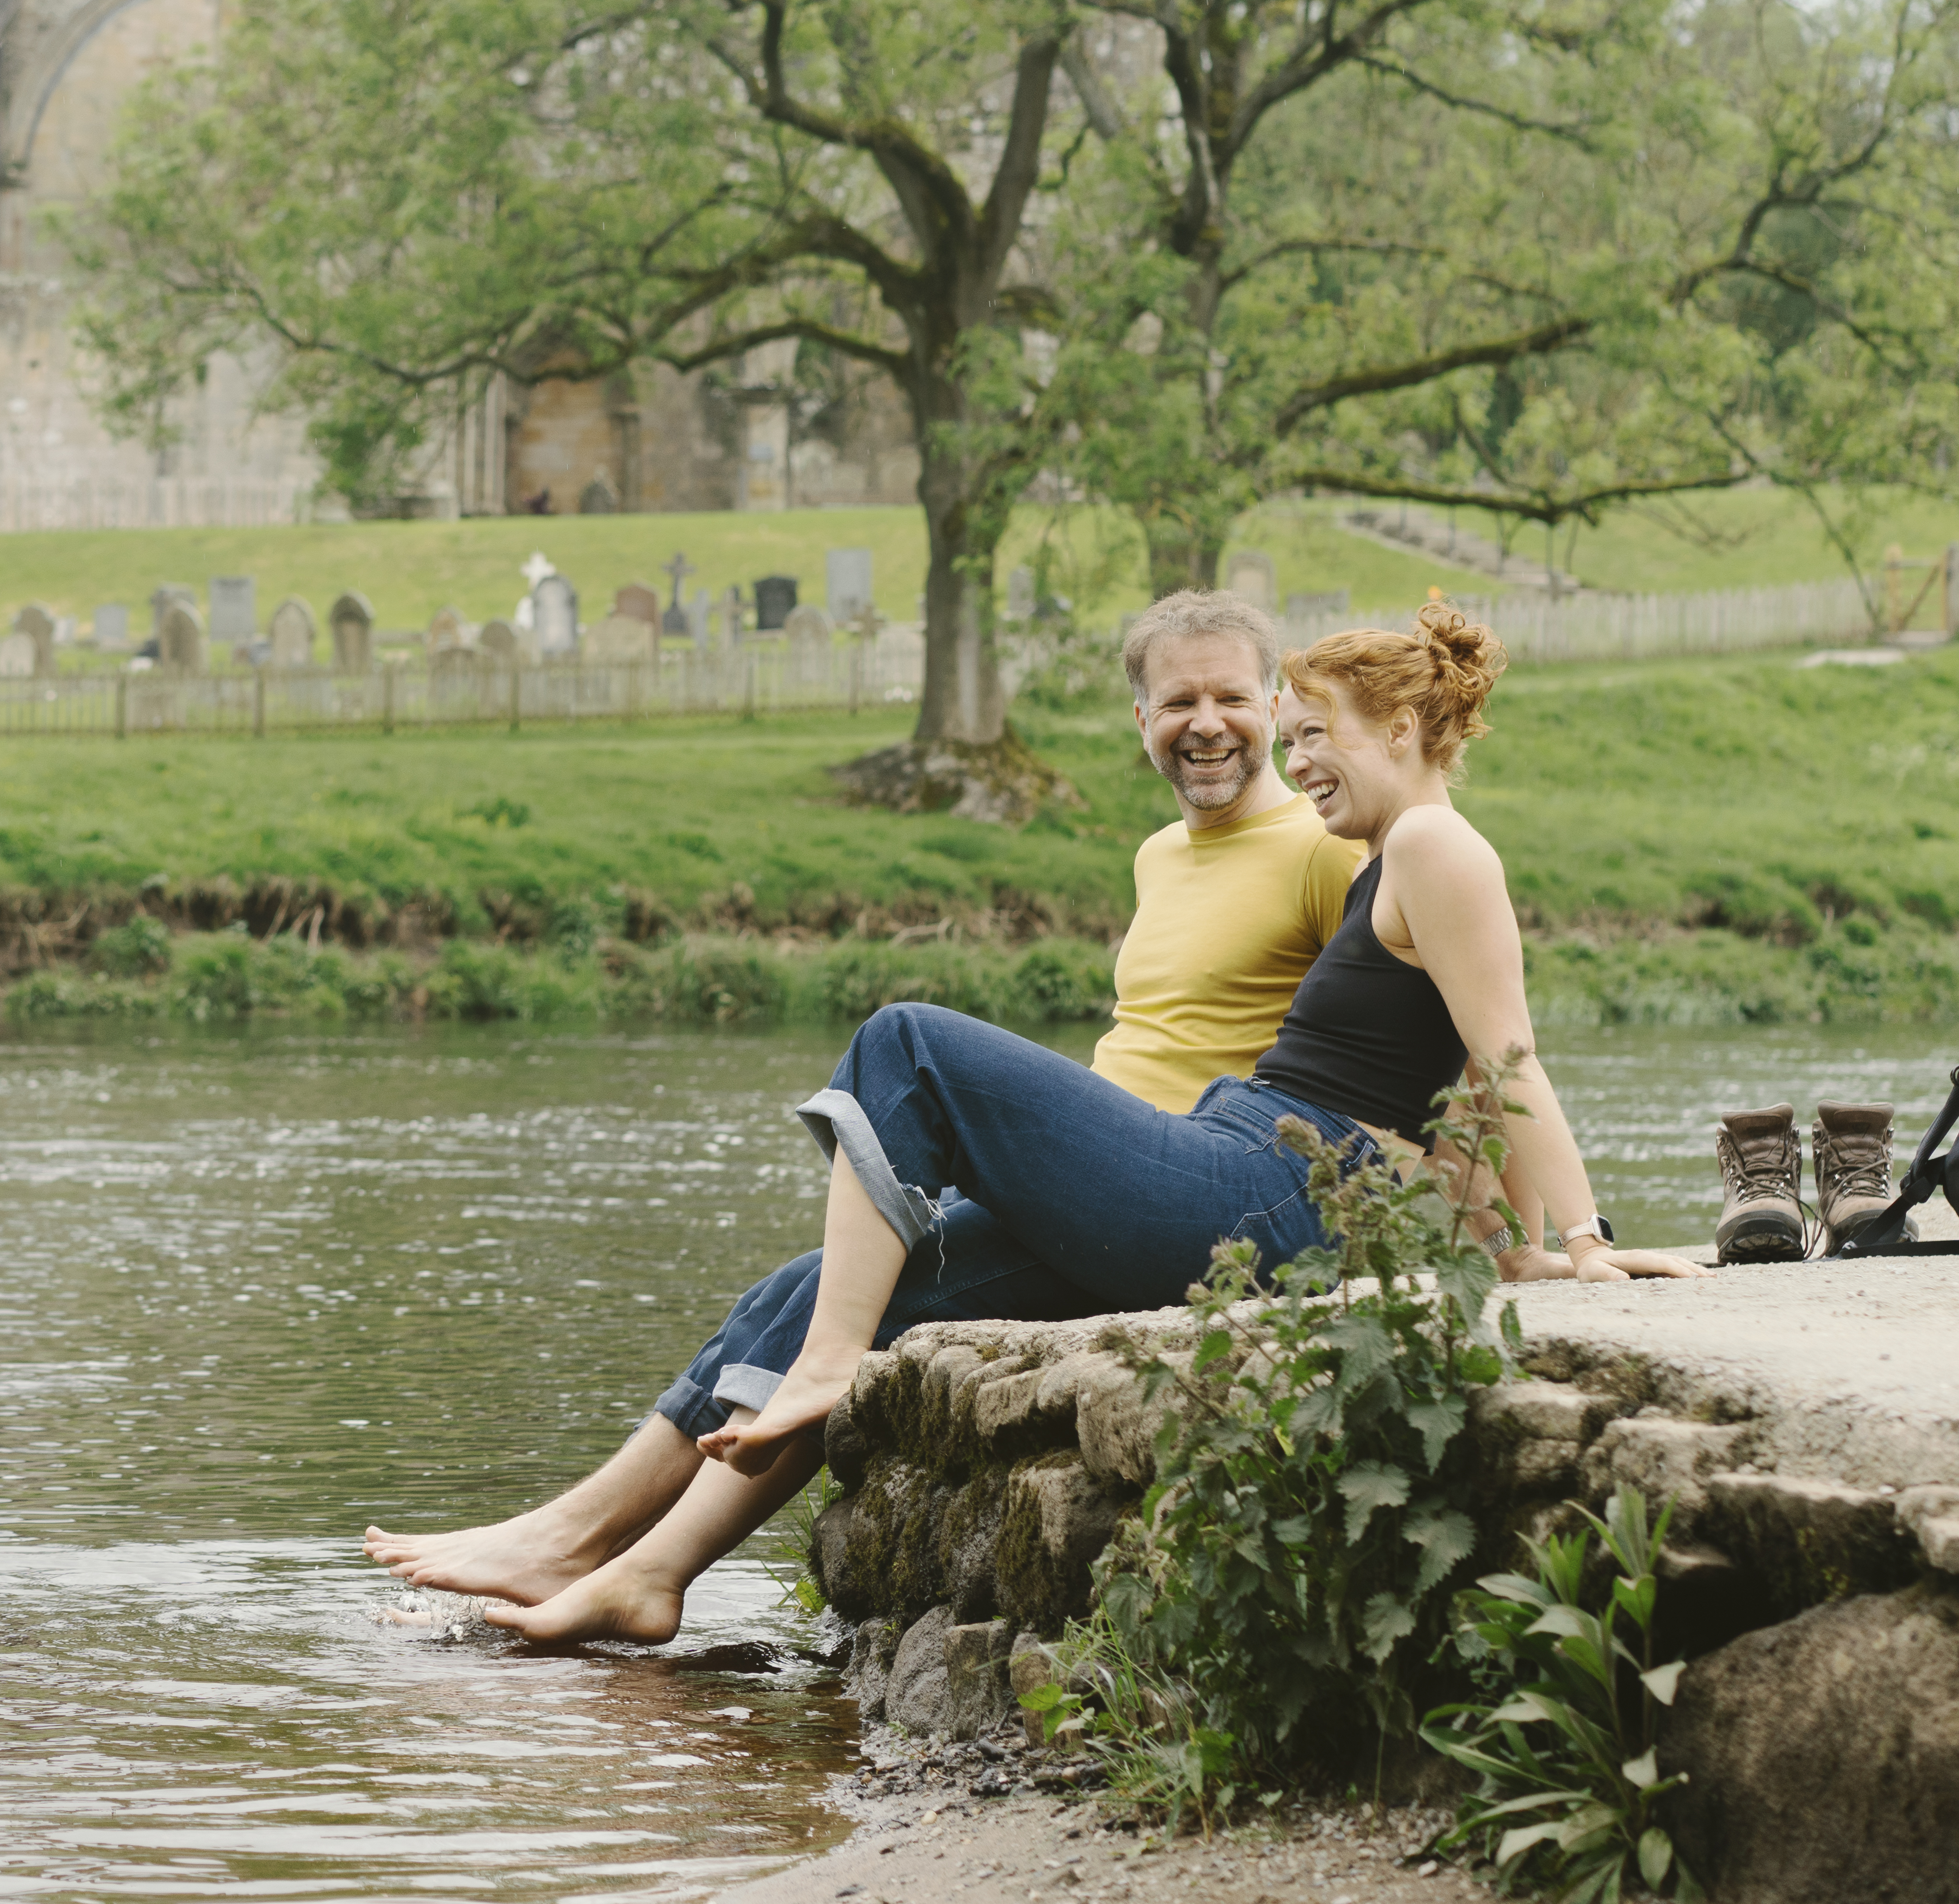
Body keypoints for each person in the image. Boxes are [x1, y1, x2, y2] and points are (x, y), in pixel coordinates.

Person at [394, 595, 1695, 1650]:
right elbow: (1456, 1085)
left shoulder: (1428, 851)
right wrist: (1508, 1241)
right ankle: (640, 1567)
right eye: (1288, 736)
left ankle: (821, 1374)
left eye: (1312, 733)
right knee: (827, 1279)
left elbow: (1504, 1056)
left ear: (1404, 723)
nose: (1296, 762)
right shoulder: (1399, 852)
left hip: (1264, 1188)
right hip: (1244, 1170)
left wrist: (1576, 1239)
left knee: (904, 1044)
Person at [364, 586, 1354, 1615]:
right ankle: (616, 1563)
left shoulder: (1324, 850)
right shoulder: (1159, 855)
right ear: (1138, 719)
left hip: (1198, 1197)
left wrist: (1498, 1230)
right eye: (1177, 700)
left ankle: (599, 1530)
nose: (1206, 723)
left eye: (1231, 697)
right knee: (799, 1290)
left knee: (905, 1052)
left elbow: (1398, 1047)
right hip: (1095, 1196)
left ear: (1277, 703)